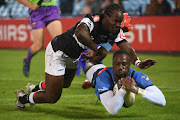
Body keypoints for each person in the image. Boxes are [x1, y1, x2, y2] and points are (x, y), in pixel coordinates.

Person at [16, 4, 156, 108]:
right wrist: (94, 48)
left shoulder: (114, 31)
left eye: (120, 22)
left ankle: (35, 88)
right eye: (115, 21)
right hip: (58, 51)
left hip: (73, 56)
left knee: (65, 83)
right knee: (52, 97)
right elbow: (80, 34)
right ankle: (22, 99)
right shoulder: (92, 20)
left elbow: (125, 47)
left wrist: (137, 62)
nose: (118, 25)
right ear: (105, 17)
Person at [84, 50, 166, 115]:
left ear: (129, 65)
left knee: (113, 89)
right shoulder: (102, 78)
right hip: (92, 69)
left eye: (124, 64)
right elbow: (112, 110)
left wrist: (137, 90)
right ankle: (91, 82)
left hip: (108, 78)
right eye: (117, 64)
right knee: (96, 58)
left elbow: (162, 101)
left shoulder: (136, 76)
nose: (120, 67)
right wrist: (124, 89)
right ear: (112, 64)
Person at [16, 0, 63, 77]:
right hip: (36, 11)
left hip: (51, 9)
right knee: (38, 46)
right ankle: (27, 60)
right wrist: (30, 5)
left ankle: (58, 69)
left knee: (59, 41)